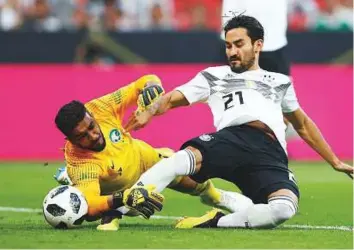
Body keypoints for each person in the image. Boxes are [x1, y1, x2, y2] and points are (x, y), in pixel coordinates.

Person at [123, 15, 353, 229]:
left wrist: (334, 161)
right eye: (228, 45)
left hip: (270, 153)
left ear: (258, 45)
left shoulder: (280, 82)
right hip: (233, 140)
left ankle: (217, 221)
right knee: (182, 160)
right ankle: (124, 204)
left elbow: (302, 124)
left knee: (283, 209)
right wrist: (150, 110)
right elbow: (172, 99)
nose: (232, 51)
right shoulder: (214, 76)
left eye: (239, 44)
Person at [54, 74, 241, 231]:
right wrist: (123, 197)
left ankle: (215, 196)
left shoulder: (100, 108)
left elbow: (143, 82)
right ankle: (112, 210)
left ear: (92, 116)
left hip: (143, 156)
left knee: (194, 181)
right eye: (82, 136)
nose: (93, 136)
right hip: (119, 188)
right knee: (109, 207)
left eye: (92, 127)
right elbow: (91, 205)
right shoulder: (80, 161)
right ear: (70, 140)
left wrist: (151, 87)